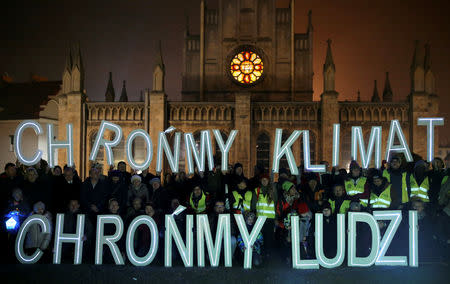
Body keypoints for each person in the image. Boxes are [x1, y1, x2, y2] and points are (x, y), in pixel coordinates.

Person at [276, 181, 311, 262]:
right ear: (287, 190)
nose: (294, 190)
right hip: (285, 224)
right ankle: (287, 258)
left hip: (297, 223)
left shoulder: (299, 198)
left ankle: (299, 257)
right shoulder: (282, 200)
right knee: (287, 241)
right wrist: (283, 224)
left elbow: (304, 210)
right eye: (292, 188)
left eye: (294, 188)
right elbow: (279, 213)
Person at [246, 173, 277, 249]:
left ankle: (268, 256)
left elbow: (276, 203)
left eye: (266, 180)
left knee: (269, 239)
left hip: (270, 219)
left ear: (268, 181)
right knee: (259, 238)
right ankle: (260, 256)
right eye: (263, 180)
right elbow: (253, 205)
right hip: (259, 219)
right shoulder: (257, 190)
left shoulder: (273, 190)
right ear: (261, 181)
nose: (264, 181)